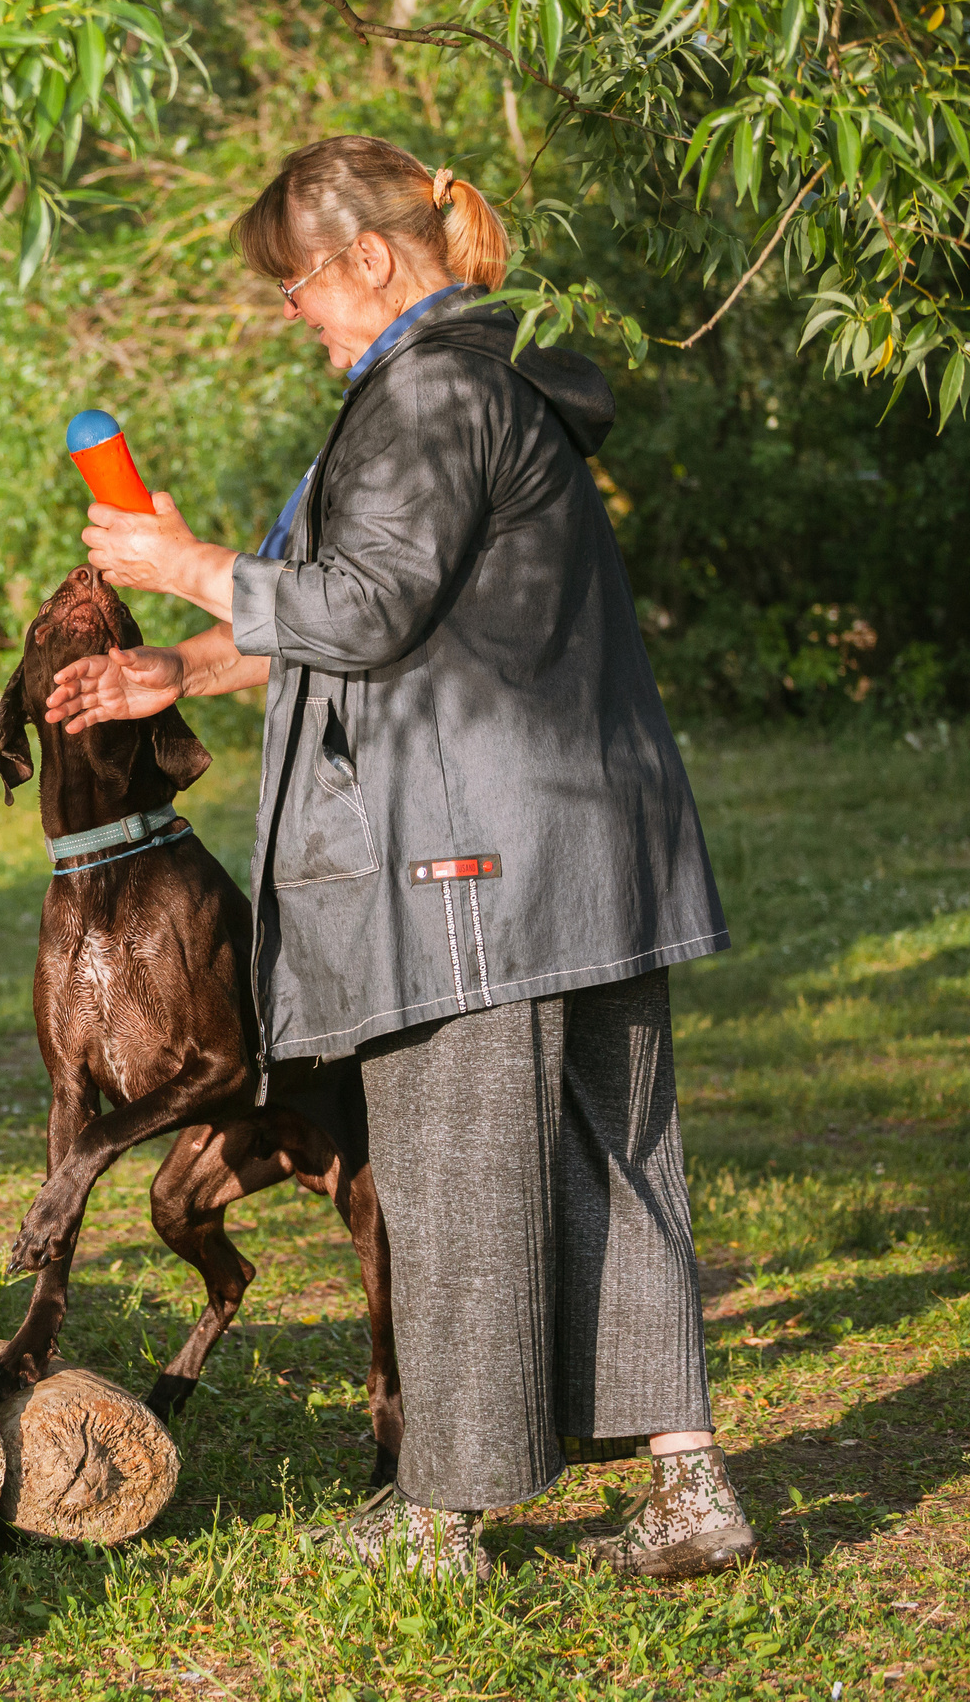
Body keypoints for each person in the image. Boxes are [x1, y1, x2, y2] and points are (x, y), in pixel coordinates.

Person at [43, 135, 756, 1582]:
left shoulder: (428, 391)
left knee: (453, 1169)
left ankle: (441, 1515)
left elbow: (363, 613)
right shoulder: (493, 377)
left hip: (473, 868)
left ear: (366, 260)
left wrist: (181, 566)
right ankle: (689, 1497)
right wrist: (177, 660)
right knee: (608, 1161)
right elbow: (373, 610)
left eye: (296, 282)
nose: (292, 310)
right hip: (580, 842)